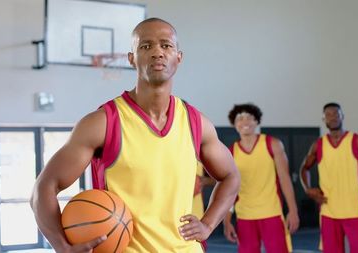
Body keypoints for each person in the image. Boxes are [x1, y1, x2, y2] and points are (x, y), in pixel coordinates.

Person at [30, 17, 240, 253]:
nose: (157, 52)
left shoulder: (197, 124)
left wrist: (208, 224)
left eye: (166, 45)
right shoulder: (102, 123)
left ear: (178, 58)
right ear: (131, 58)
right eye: (146, 46)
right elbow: (44, 187)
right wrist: (62, 246)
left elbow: (231, 176)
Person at [299, 102, 358, 253]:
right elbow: (304, 169)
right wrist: (308, 189)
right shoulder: (318, 145)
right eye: (328, 115)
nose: (333, 117)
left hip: (354, 212)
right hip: (328, 213)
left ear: (343, 116)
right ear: (323, 119)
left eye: (336, 113)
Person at [223, 103, 299, 253]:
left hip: (271, 213)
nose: (244, 122)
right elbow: (230, 191)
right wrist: (226, 221)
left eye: (249, 118)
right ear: (234, 124)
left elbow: (285, 180)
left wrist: (293, 210)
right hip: (244, 216)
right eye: (240, 118)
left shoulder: (273, 144)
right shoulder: (231, 152)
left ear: (257, 121)